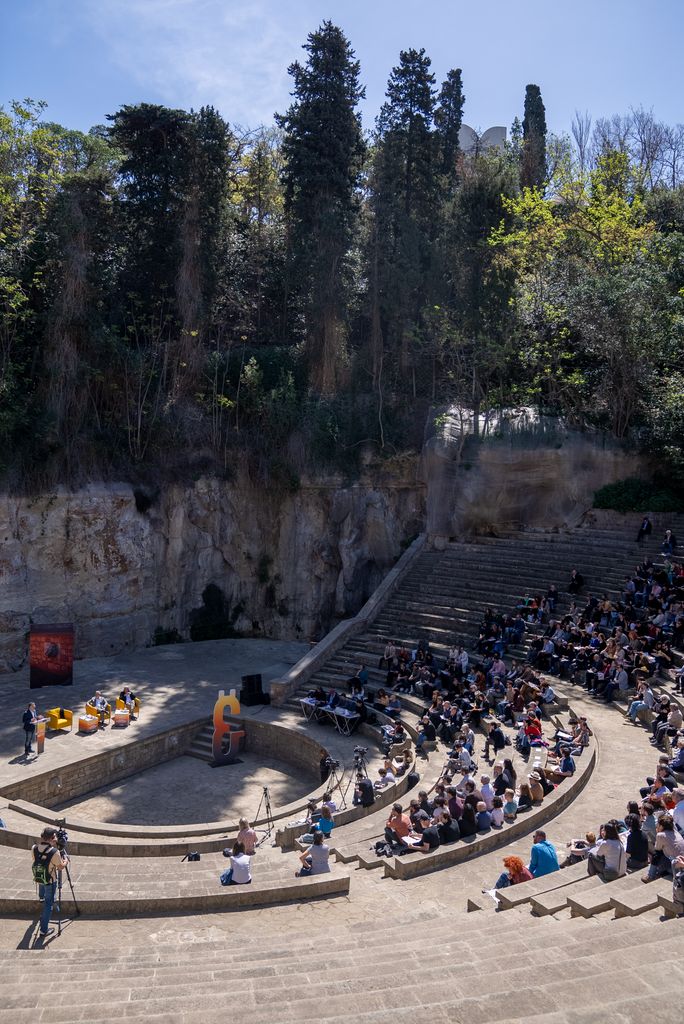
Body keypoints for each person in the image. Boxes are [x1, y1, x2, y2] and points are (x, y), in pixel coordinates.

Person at [31, 826, 67, 938]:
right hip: (50, 880)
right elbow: (60, 867)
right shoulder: (55, 852)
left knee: (42, 885)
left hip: (39, 876)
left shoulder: (34, 848)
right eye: (55, 837)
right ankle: (44, 930)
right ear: (52, 838)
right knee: (48, 904)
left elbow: (36, 861)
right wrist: (65, 861)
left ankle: (41, 897)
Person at [643, 814, 684, 882]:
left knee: (657, 854)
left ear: (661, 826)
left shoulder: (661, 835)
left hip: (677, 868)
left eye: (658, 824)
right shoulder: (675, 831)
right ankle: (660, 872)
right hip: (681, 862)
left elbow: (657, 849)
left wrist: (658, 832)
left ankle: (650, 875)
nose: (657, 826)